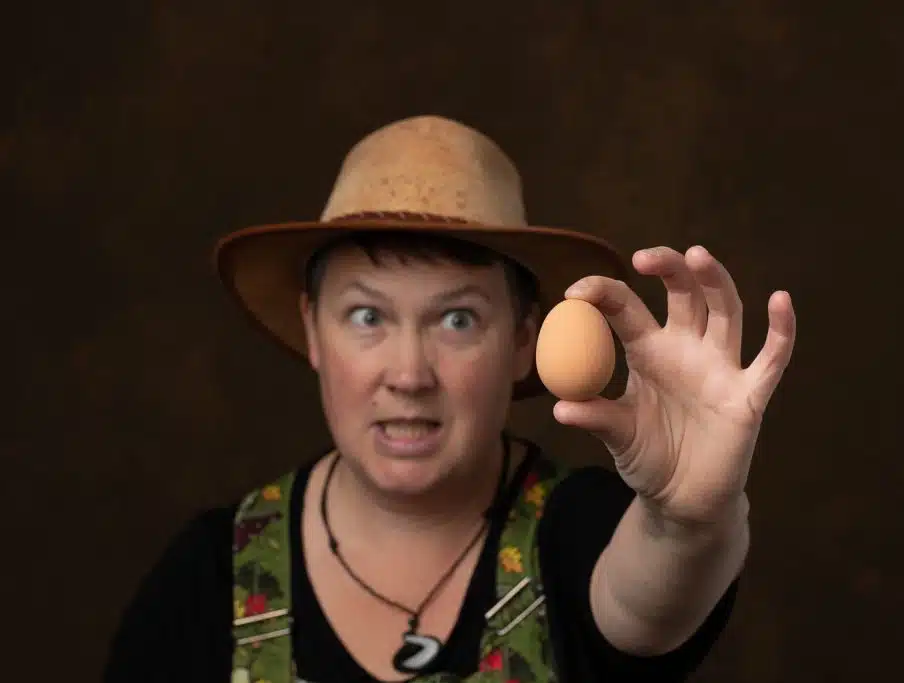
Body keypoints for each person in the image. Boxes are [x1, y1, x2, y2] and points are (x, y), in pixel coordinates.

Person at [103, 115, 796, 683]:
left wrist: (689, 518)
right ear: (314, 329)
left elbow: (650, 597)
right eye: (367, 317)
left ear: (524, 338)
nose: (408, 373)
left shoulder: (577, 534)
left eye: (457, 319)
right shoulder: (205, 581)